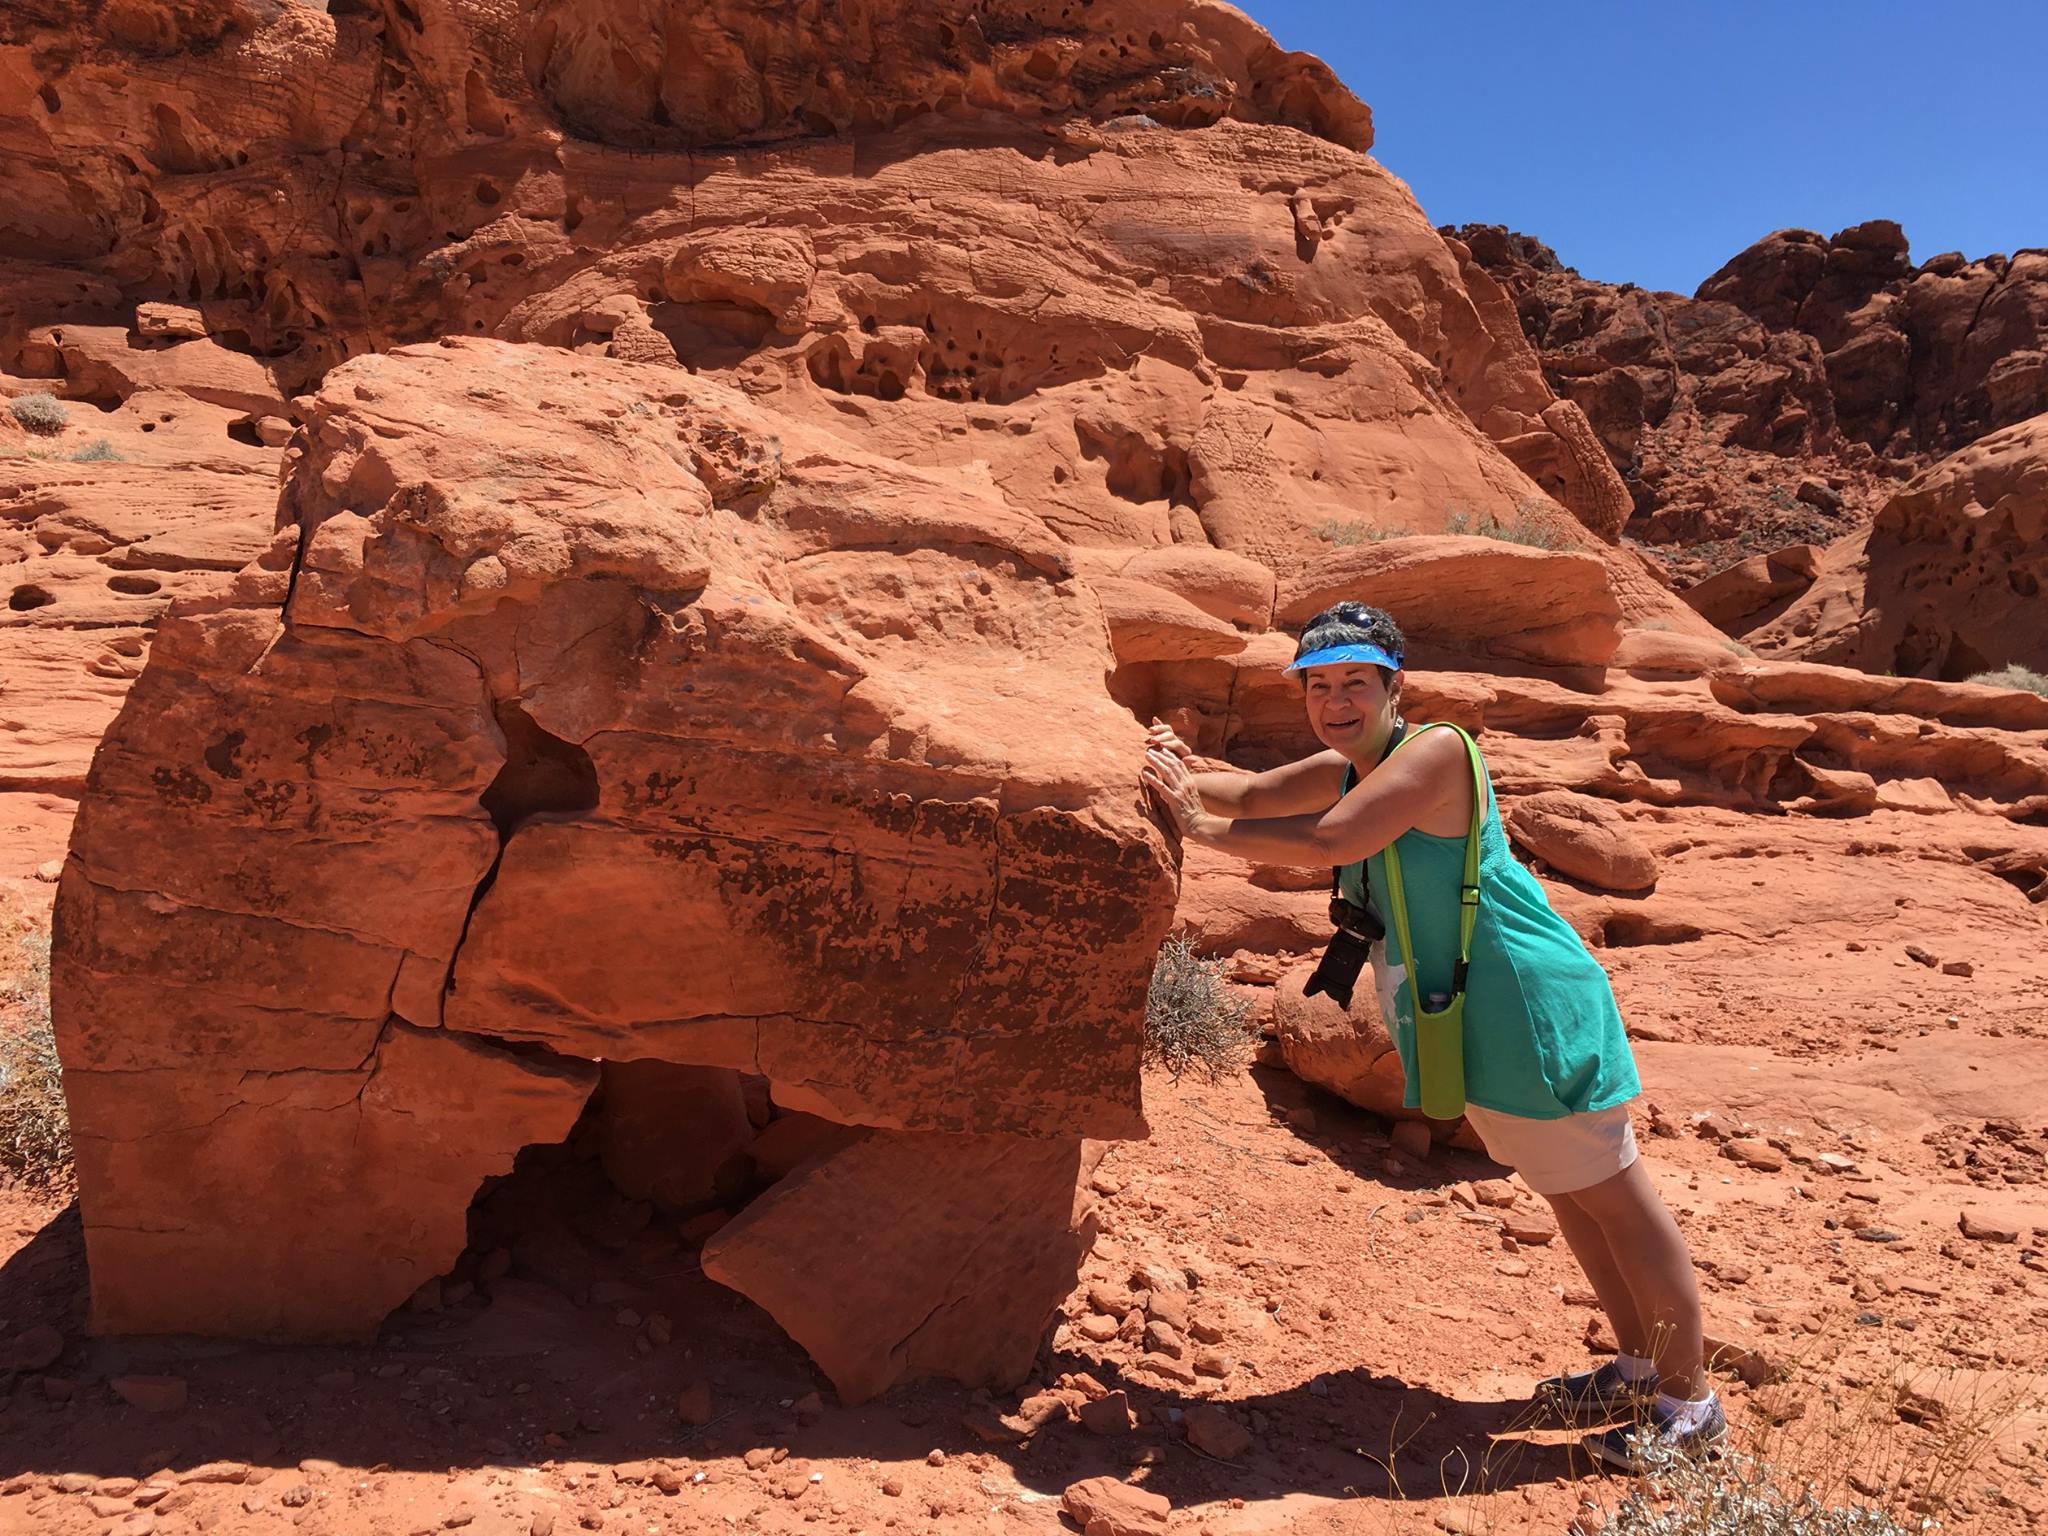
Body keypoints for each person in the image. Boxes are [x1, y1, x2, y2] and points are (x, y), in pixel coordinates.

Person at [1139, 599, 1724, 1472]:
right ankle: (1637, 1373)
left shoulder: (1436, 752)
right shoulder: (1357, 762)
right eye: (1319, 685)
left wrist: (1199, 826)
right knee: (1568, 1190)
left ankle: (1691, 1409)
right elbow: (1257, 790)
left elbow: (1336, 838)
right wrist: (1170, 771)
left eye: (1354, 683)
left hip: (1523, 999)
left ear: (1392, 685)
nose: (1335, 701)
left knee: (1615, 1195)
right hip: (1464, 1005)